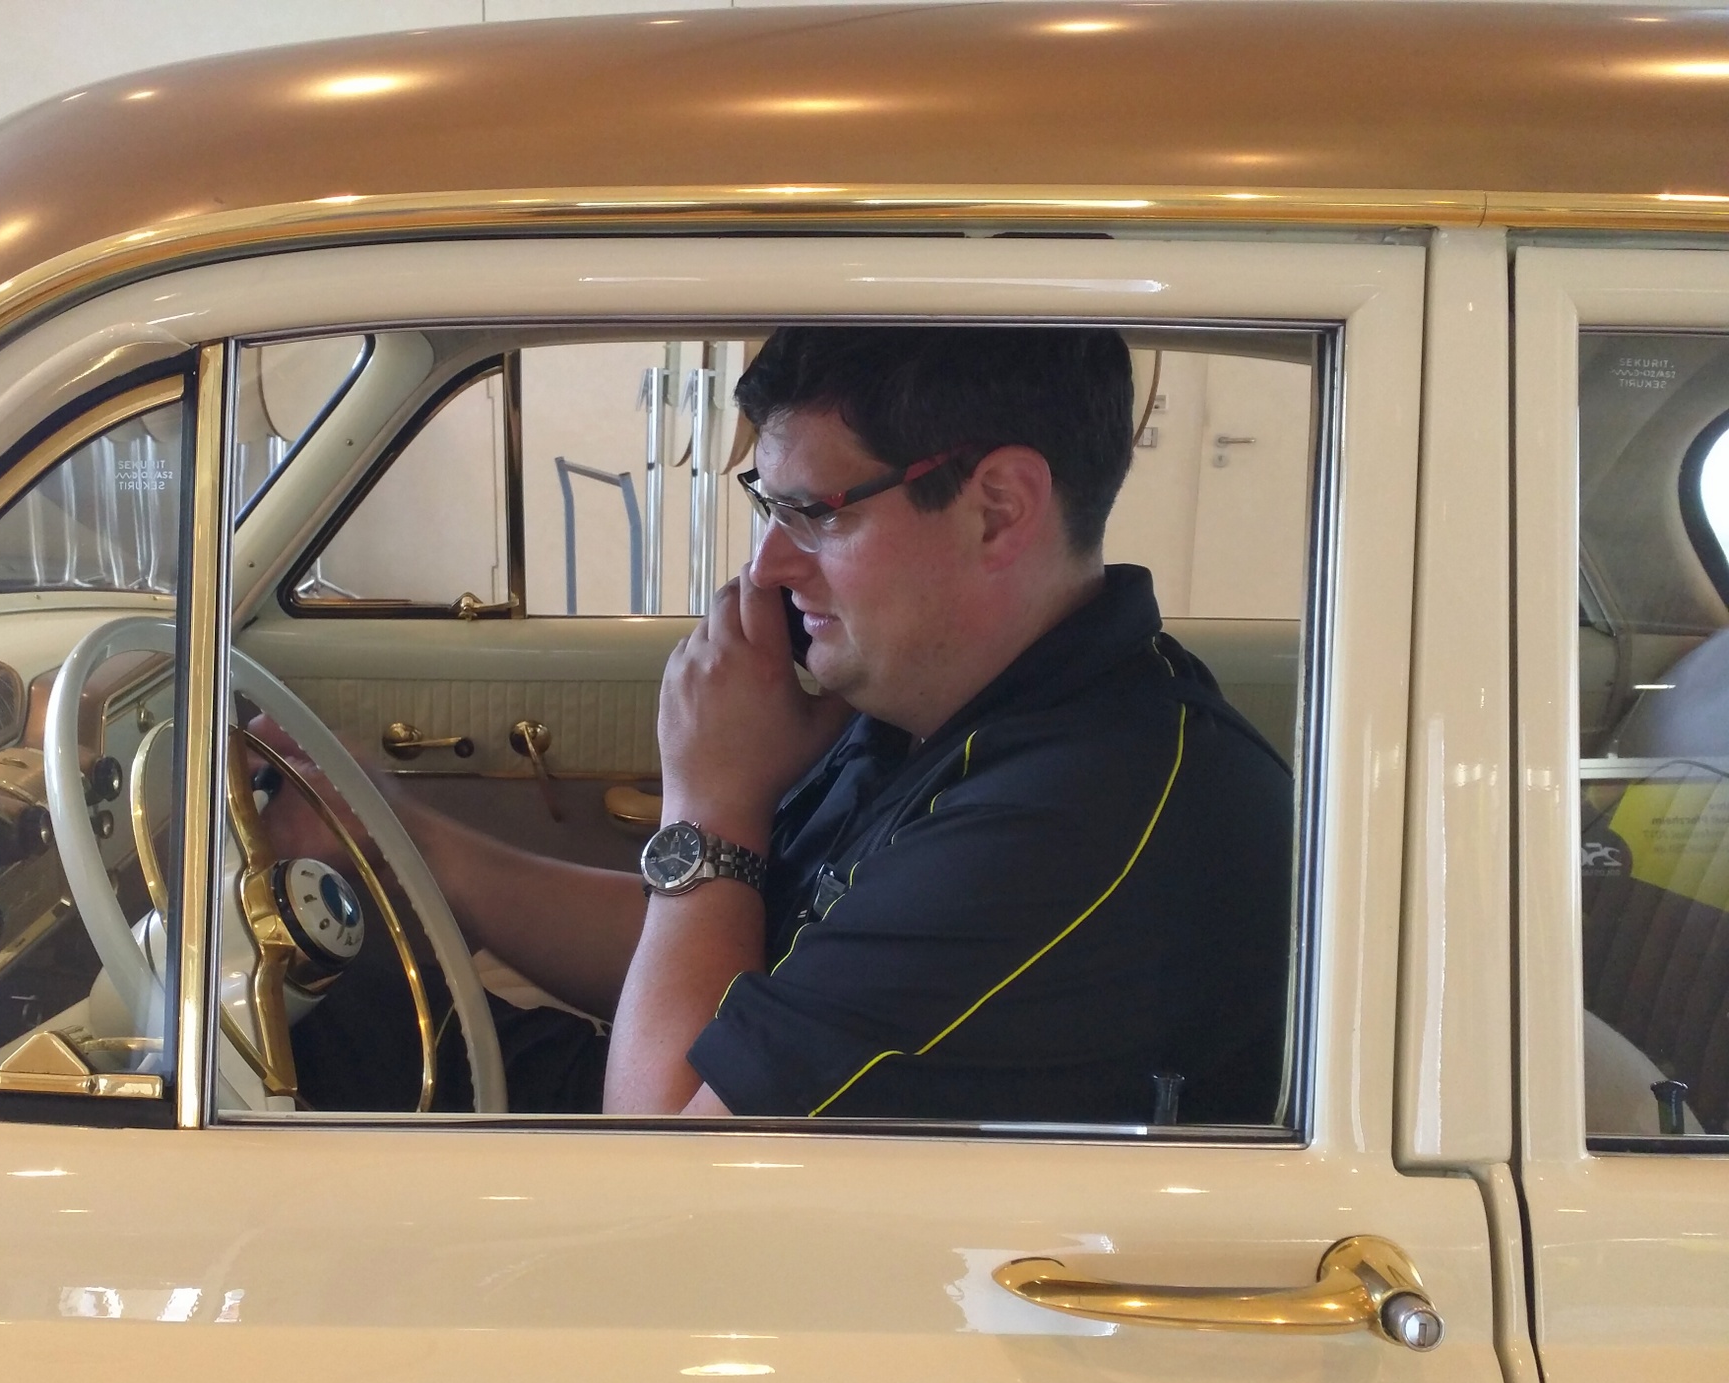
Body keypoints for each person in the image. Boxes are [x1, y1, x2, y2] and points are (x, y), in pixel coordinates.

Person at [283, 326, 1293, 1124]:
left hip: (762, 1219)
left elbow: (664, 1161)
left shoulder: (1071, 819)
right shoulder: (938, 699)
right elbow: (726, 954)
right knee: (342, 1031)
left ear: (996, 508)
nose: (767, 565)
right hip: (745, 1135)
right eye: (769, 508)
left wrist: (712, 803)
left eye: (816, 513)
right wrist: (413, 847)